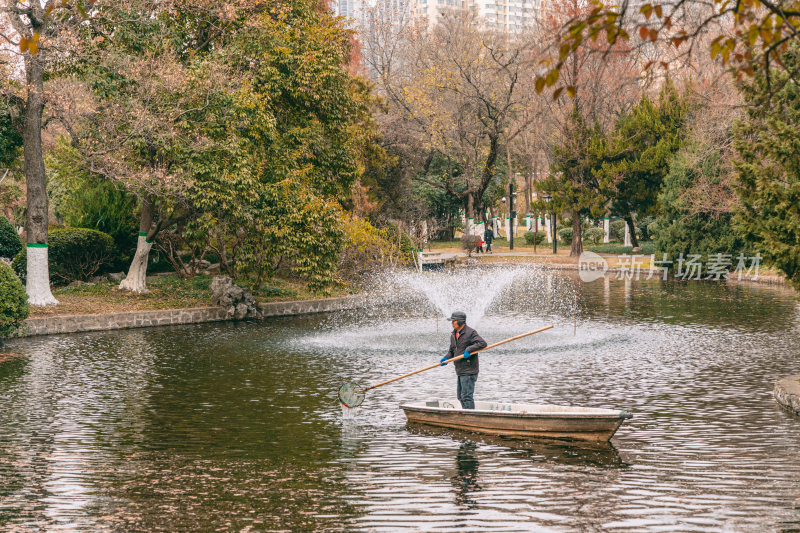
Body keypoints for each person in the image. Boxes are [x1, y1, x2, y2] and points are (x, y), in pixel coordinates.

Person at [439, 311, 487, 409]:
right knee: (460, 396)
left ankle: (471, 417)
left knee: (466, 397)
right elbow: (452, 351)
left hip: (469, 370)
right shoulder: (453, 334)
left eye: (454, 321)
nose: (452, 323)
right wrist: (446, 358)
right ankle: (466, 413)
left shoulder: (470, 332)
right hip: (460, 370)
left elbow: (482, 343)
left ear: (460, 321)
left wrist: (469, 350)